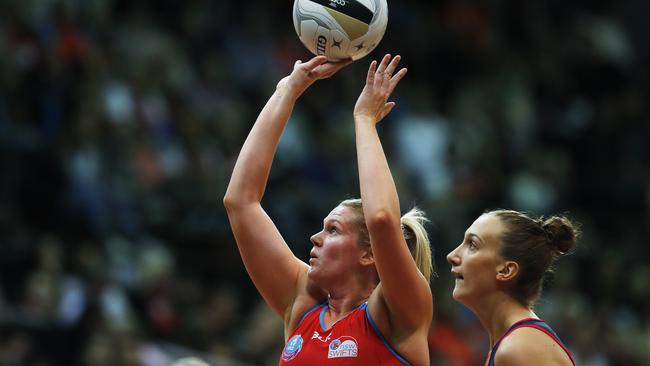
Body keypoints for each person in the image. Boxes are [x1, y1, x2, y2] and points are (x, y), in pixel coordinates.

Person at [223, 54, 433, 365]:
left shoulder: (399, 310)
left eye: (333, 230)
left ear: (369, 253)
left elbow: (381, 219)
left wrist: (364, 119)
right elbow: (240, 202)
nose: (314, 238)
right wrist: (288, 89)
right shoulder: (304, 303)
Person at [446, 209, 579, 365]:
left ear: (506, 270)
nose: (452, 256)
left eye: (472, 245)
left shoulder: (518, 348)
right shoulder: (513, 343)